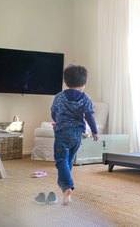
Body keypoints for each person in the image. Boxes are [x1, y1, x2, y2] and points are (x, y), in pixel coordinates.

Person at [51, 64, 99, 205]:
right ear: (84, 83)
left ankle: (67, 186)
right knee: (69, 159)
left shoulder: (59, 97)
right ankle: (64, 183)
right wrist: (95, 132)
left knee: (61, 160)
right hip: (77, 135)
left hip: (62, 133)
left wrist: (57, 121)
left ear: (66, 82)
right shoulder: (85, 98)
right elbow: (90, 116)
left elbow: (53, 112)